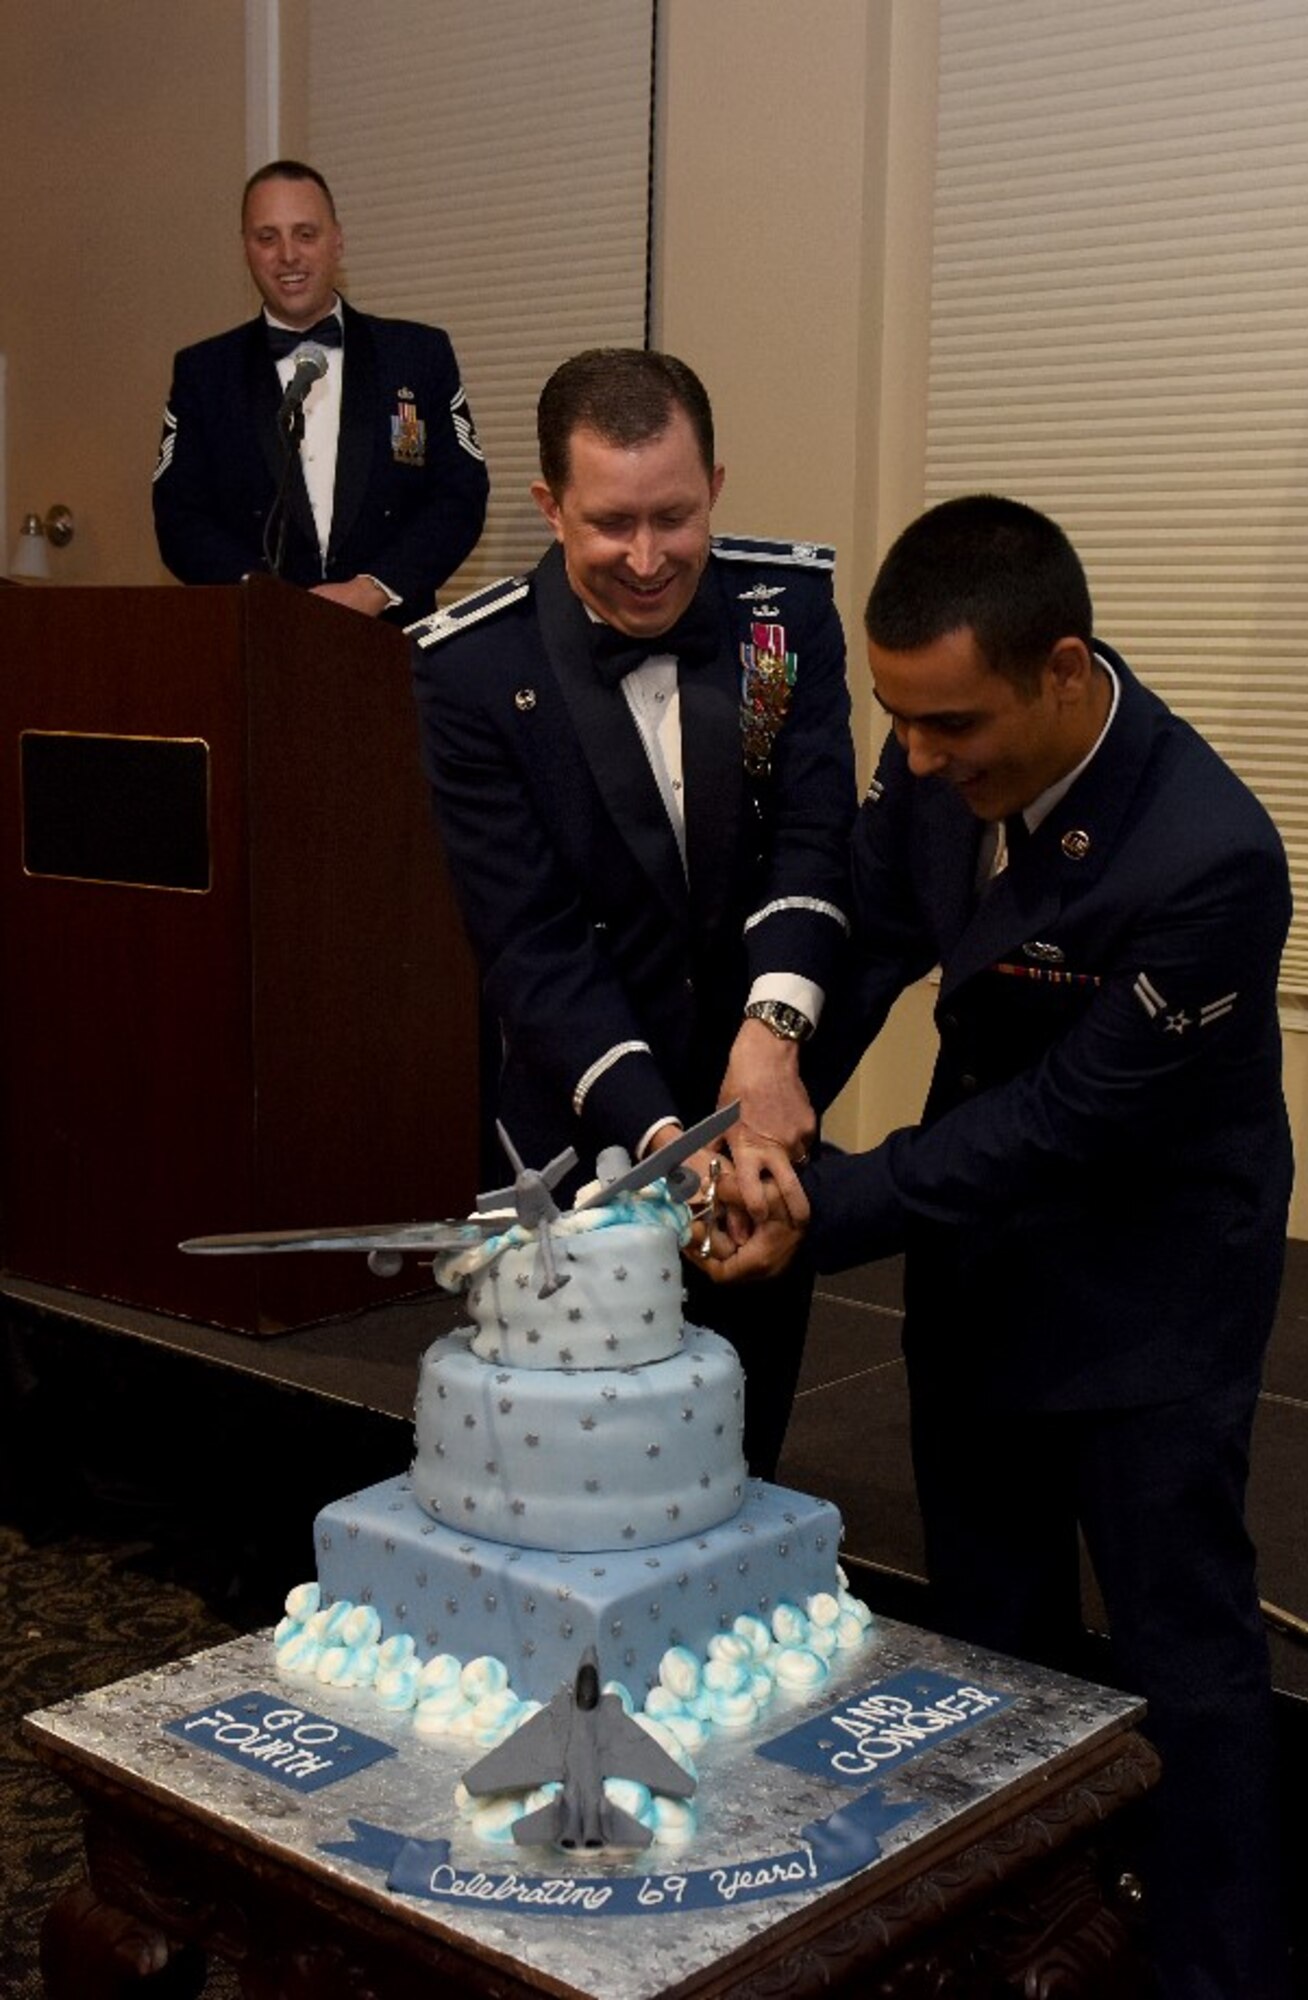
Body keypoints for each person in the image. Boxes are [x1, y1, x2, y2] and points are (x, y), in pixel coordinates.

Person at [700, 495, 1293, 1999]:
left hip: (1146, 1295)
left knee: (1183, 1653)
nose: (916, 760)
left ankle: (1223, 1969)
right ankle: (1007, 1947)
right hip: (978, 1277)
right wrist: (777, 1087)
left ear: (1063, 669)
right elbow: (878, 926)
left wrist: (813, 1210)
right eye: (897, 720)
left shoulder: (1209, 853)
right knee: (987, 1643)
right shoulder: (943, 774)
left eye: (949, 723)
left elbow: (1056, 1125)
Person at [409, 347, 857, 1477]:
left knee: (739, 1458)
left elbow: (811, 838)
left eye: (677, 515)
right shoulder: (472, 671)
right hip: (581, 1128)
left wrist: (775, 1039)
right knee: (583, 1481)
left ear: (716, 482)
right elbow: (532, 945)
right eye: (612, 523)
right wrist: (670, 1142)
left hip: (763, 1117)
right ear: (549, 505)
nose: (650, 559)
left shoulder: (784, 613)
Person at [152, 159, 488, 627]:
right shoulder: (203, 373)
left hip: (394, 643)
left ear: (338, 241)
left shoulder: (418, 355)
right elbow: (179, 520)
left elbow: (460, 498)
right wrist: (270, 602)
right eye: (267, 238)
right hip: (259, 646)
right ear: (246, 249)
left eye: (305, 234)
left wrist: (375, 587)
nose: (287, 255)